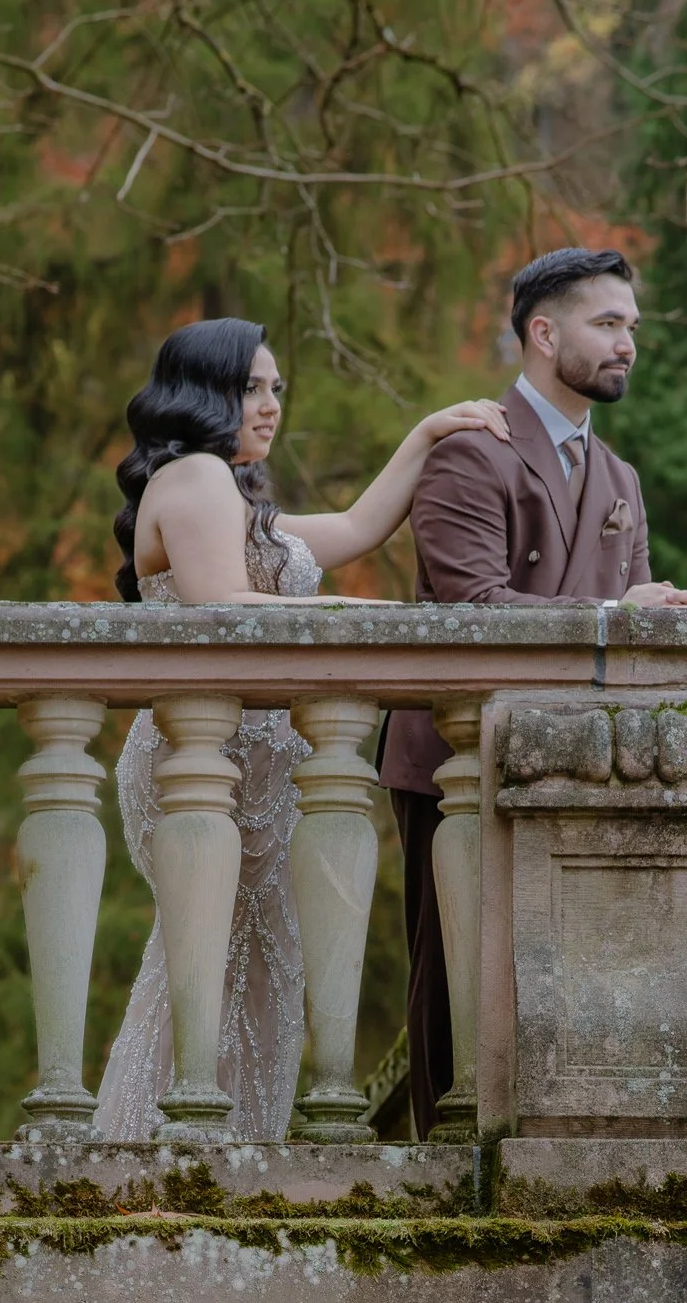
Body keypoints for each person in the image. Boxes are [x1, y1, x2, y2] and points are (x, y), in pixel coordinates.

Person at [95, 316, 509, 1142]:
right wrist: (352, 613)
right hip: (209, 765)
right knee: (211, 964)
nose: (271, 403)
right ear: (204, 391)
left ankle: (229, 1145)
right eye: (251, 386)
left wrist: (428, 433)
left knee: (260, 970)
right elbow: (220, 605)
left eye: (276, 388)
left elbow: (355, 527)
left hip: (256, 767)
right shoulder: (196, 476)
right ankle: (155, 1146)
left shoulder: (231, 493)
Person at [377, 247, 687, 1138]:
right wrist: (615, 611)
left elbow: (630, 611)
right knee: (454, 979)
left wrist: (654, 611)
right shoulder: (468, 455)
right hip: (458, 762)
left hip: (576, 763)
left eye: (632, 325)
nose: (628, 343)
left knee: (565, 977)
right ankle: (447, 1164)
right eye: (608, 323)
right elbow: (473, 610)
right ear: (544, 334)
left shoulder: (621, 478)